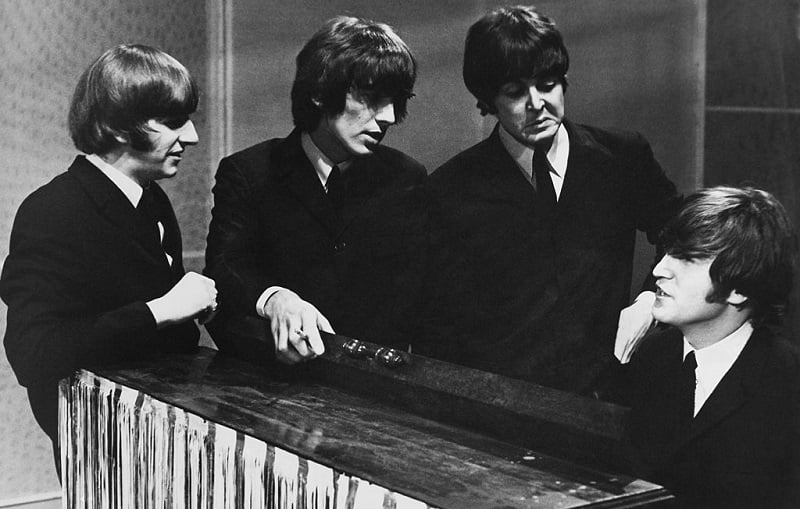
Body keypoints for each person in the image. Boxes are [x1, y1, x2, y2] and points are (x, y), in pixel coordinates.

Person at [421, 5, 681, 395]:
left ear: (563, 82)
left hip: (608, 397)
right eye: (515, 92)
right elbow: (436, 325)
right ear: (488, 101)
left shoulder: (623, 157)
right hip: (501, 409)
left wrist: (650, 299)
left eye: (547, 84)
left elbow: (681, 230)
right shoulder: (450, 188)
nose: (537, 103)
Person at [0, 44, 217, 475]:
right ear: (117, 127)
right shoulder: (51, 210)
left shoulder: (154, 202)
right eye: (173, 122)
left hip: (165, 438)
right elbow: (32, 353)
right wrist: (160, 312)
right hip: (102, 449)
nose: (191, 137)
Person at [204, 16, 427, 365]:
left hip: (374, 392)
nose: (387, 116)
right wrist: (275, 298)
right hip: (271, 385)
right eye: (371, 98)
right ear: (320, 93)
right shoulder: (250, 172)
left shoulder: (407, 177)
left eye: (396, 101)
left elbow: (419, 301)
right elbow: (224, 267)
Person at [621, 186, 800, 507]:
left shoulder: (786, 382)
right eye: (666, 252)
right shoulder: (654, 355)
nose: (659, 270)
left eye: (686, 259)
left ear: (739, 288)